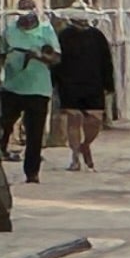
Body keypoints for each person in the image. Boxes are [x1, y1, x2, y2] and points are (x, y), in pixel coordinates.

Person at [0, 0, 63, 181]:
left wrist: (39, 56)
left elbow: (56, 58)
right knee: (2, 125)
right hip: (12, 86)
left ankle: (32, 172)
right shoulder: (9, 31)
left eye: (29, 11)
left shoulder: (45, 30)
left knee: (35, 133)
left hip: (38, 89)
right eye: (22, 12)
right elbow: (0, 55)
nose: (26, 16)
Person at [50, 13, 117, 172]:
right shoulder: (64, 35)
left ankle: (85, 145)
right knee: (74, 120)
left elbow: (106, 61)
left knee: (95, 121)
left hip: (93, 84)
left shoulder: (97, 36)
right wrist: (55, 82)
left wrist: (109, 84)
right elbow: (57, 61)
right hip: (69, 83)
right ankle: (74, 158)